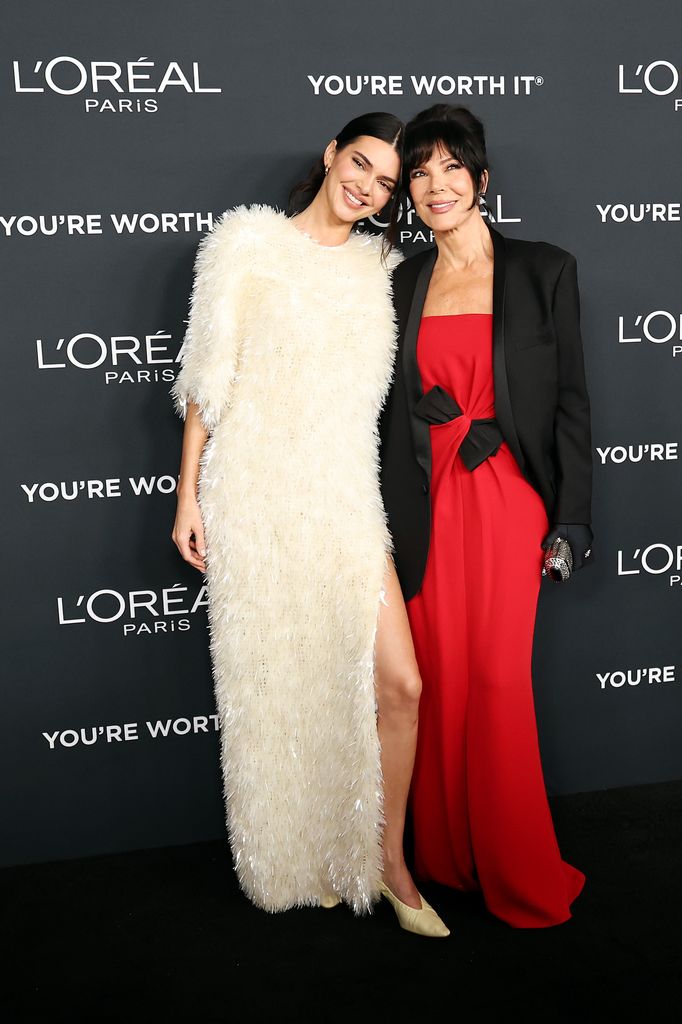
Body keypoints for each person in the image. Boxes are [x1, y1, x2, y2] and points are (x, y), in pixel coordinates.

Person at [171, 112, 449, 937]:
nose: (366, 184)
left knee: (398, 683)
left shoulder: (383, 267)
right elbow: (207, 376)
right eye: (359, 162)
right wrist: (188, 495)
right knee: (278, 684)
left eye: (386, 182)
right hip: (252, 493)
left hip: (345, 496)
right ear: (331, 155)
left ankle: (386, 863)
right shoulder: (245, 245)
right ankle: (296, 864)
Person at [380, 104, 593, 928]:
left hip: (507, 496)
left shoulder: (544, 269)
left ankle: (514, 865)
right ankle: (445, 859)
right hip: (425, 503)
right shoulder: (399, 280)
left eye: (450, 168)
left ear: (482, 179)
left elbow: (571, 401)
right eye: (420, 172)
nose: (435, 186)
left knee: (498, 680)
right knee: (435, 681)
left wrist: (570, 521)